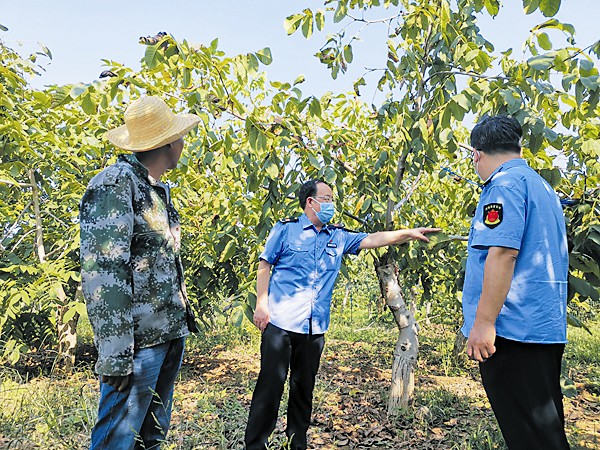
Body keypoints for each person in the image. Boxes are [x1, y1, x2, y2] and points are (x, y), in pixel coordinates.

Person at [245, 179, 439, 450]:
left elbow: (371, 239)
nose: (332, 204)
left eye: (332, 199)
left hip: (314, 330)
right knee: (270, 389)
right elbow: (265, 264)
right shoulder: (286, 230)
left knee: (303, 392)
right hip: (280, 324)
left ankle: (295, 444)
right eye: (327, 198)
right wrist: (261, 305)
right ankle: (255, 445)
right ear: (310, 202)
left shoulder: (337, 236)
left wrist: (407, 233)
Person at [80, 96, 200, 450]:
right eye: (179, 136)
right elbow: (104, 268)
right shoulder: (115, 184)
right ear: (168, 143)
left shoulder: (155, 190)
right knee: (117, 439)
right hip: (137, 343)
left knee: (151, 437)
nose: (182, 143)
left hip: (166, 332)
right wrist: (116, 354)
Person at [461, 115, 570, 450]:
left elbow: (503, 253)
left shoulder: (503, 186)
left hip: (514, 331)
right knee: (545, 430)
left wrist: (483, 322)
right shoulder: (542, 186)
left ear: (476, 154)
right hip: (542, 327)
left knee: (531, 437)